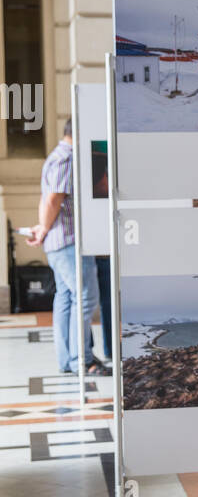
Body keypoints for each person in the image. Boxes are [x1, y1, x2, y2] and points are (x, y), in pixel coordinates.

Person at [26, 119, 106, 376]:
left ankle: (68, 360)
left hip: (59, 241)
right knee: (84, 298)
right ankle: (80, 360)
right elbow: (53, 199)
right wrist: (44, 227)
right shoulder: (68, 159)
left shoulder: (55, 156)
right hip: (69, 240)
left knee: (66, 298)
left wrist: (42, 228)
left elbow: (47, 199)